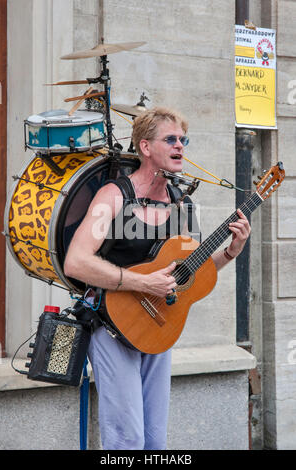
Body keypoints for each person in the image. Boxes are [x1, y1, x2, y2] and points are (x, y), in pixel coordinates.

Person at [64, 106, 251, 450]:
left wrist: (228, 253)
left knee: (155, 439)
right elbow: (76, 262)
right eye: (170, 139)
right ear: (146, 147)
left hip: (157, 324)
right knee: (126, 438)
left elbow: (184, 272)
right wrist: (142, 283)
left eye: (183, 139)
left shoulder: (181, 204)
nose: (180, 146)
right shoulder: (114, 196)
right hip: (109, 323)